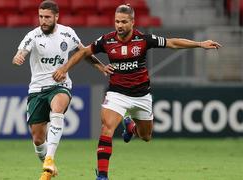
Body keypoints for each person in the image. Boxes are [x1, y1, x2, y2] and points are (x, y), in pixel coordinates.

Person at [52, 4, 222, 180]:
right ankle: (102, 175)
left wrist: (200, 44)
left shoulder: (143, 39)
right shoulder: (107, 40)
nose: (119, 25)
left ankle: (130, 126)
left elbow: (172, 42)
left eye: (124, 22)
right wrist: (66, 69)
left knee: (146, 136)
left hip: (141, 95)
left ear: (132, 22)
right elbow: (84, 52)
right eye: (117, 21)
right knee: (106, 128)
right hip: (117, 93)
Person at [12, 1, 110, 180]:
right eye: (41, 16)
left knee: (57, 110)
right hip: (37, 89)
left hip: (60, 86)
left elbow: (84, 52)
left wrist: (101, 67)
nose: (43, 20)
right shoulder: (33, 36)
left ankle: (49, 158)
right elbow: (21, 52)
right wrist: (18, 57)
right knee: (38, 139)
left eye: (47, 17)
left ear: (56, 17)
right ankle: (48, 167)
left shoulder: (68, 33)